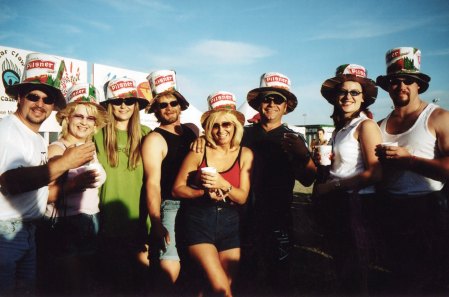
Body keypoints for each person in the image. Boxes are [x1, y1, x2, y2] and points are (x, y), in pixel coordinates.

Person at [0, 52, 96, 295]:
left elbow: (38, 191)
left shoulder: (35, 138)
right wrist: (66, 162)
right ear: (19, 97)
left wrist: (73, 185)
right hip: (5, 233)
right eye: (34, 96)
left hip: (27, 232)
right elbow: (11, 182)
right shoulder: (7, 131)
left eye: (48, 99)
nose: (40, 103)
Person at [375, 47, 449, 295]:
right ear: (388, 87)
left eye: (409, 80)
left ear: (419, 85)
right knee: (397, 277)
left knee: (430, 281)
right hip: (389, 207)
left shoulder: (439, 117)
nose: (401, 86)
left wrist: (410, 161)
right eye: (395, 81)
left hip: (427, 209)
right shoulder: (379, 125)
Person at [240, 72, 316, 295]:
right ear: (258, 104)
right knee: (245, 273)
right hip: (244, 213)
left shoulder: (294, 138)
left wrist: (303, 156)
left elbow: (307, 178)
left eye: (278, 99)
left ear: (286, 106)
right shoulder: (242, 134)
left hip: (278, 214)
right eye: (267, 99)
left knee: (279, 275)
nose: (271, 104)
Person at [172, 91, 254, 297]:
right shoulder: (199, 151)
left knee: (210, 287)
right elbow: (177, 188)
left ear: (235, 126)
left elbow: (242, 197)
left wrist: (223, 184)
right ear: (208, 128)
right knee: (222, 290)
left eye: (226, 124)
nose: (221, 130)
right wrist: (202, 193)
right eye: (215, 125)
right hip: (199, 221)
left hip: (230, 224)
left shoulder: (245, 154)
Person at [314, 64, 382, 295]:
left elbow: (376, 172)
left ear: (364, 98)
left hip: (357, 205)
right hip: (338, 204)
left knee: (355, 270)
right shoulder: (341, 128)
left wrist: (334, 186)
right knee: (342, 265)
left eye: (354, 92)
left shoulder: (366, 125)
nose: (347, 96)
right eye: (343, 91)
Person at [37, 83, 109, 295]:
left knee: (85, 284)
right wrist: (74, 185)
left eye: (90, 118)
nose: (84, 123)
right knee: (72, 288)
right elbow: (44, 195)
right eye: (79, 116)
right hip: (65, 225)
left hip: (91, 221)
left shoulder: (90, 150)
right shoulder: (56, 149)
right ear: (67, 118)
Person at [93, 77, 151, 295]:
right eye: (118, 101)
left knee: (140, 284)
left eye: (129, 101)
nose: (123, 106)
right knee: (114, 285)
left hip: (140, 223)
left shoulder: (147, 134)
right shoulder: (95, 133)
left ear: (136, 104)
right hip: (106, 222)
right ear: (109, 104)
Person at [142, 70, 196, 293]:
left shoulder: (192, 131)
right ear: (156, 109)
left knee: (194, 262)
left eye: (173, 102)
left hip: (195, 204)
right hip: (171, 206)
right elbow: (152, 183)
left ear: (180, 105)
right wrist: (156, 221)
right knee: (170, 263)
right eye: (162, 105)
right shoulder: (155, 139)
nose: (169, 108)